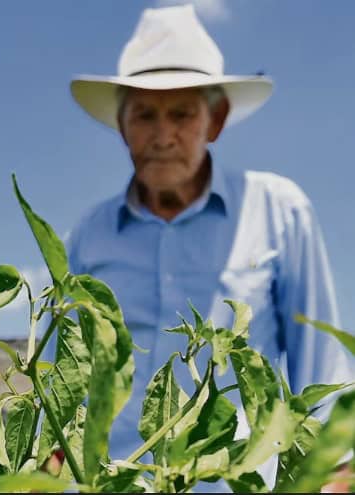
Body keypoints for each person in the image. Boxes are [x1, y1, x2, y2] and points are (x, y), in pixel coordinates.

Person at [43, 4, 354, 491]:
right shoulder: (89, 235)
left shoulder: (277, 211)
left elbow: (323, 372)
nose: (163, 136)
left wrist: (336, 477)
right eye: (144, 114)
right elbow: (63, 388)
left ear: (216, 120)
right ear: (122, 126)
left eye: (182, 114)